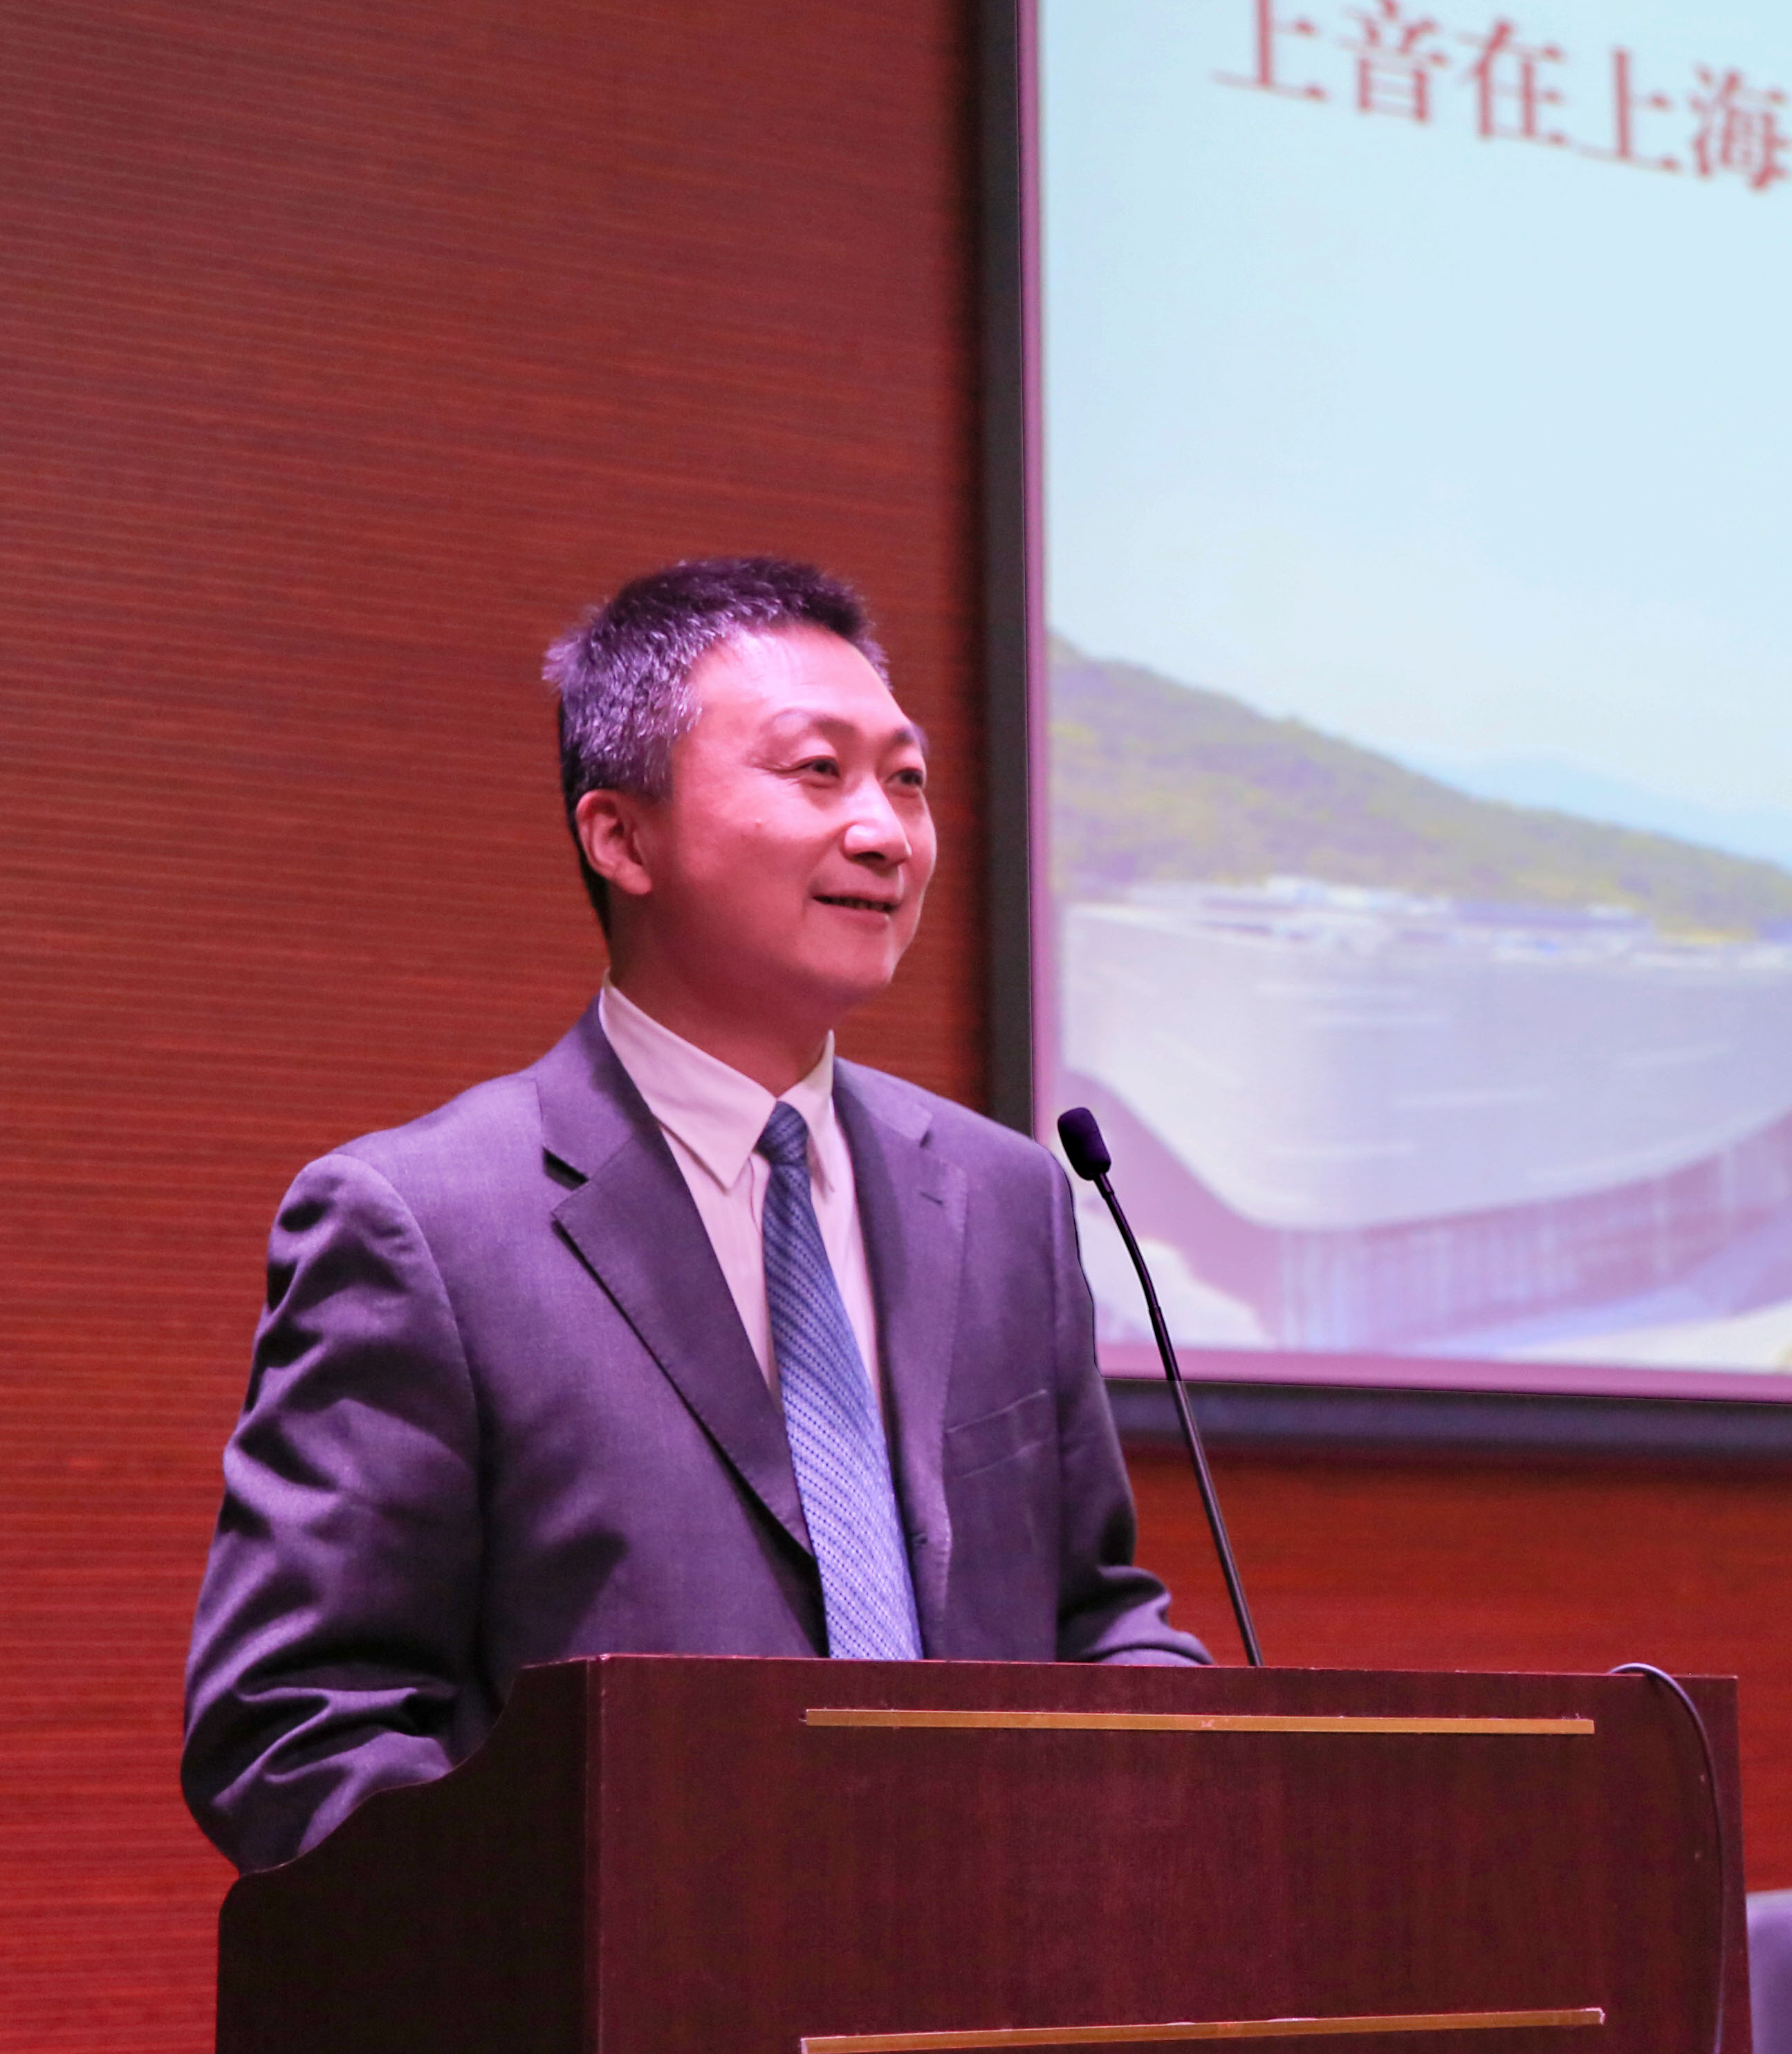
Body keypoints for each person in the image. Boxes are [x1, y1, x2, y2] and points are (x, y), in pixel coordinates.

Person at [183, 557, 1203, 1873]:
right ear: (621, 837)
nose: (888, 834)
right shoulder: (423, 1227)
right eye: (818, 772)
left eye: (906, 780)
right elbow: (294, 1728)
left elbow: (1090, 1615)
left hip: (985, 1955)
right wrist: (597, 1923)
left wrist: (1205, 1770)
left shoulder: (1004, 1196)